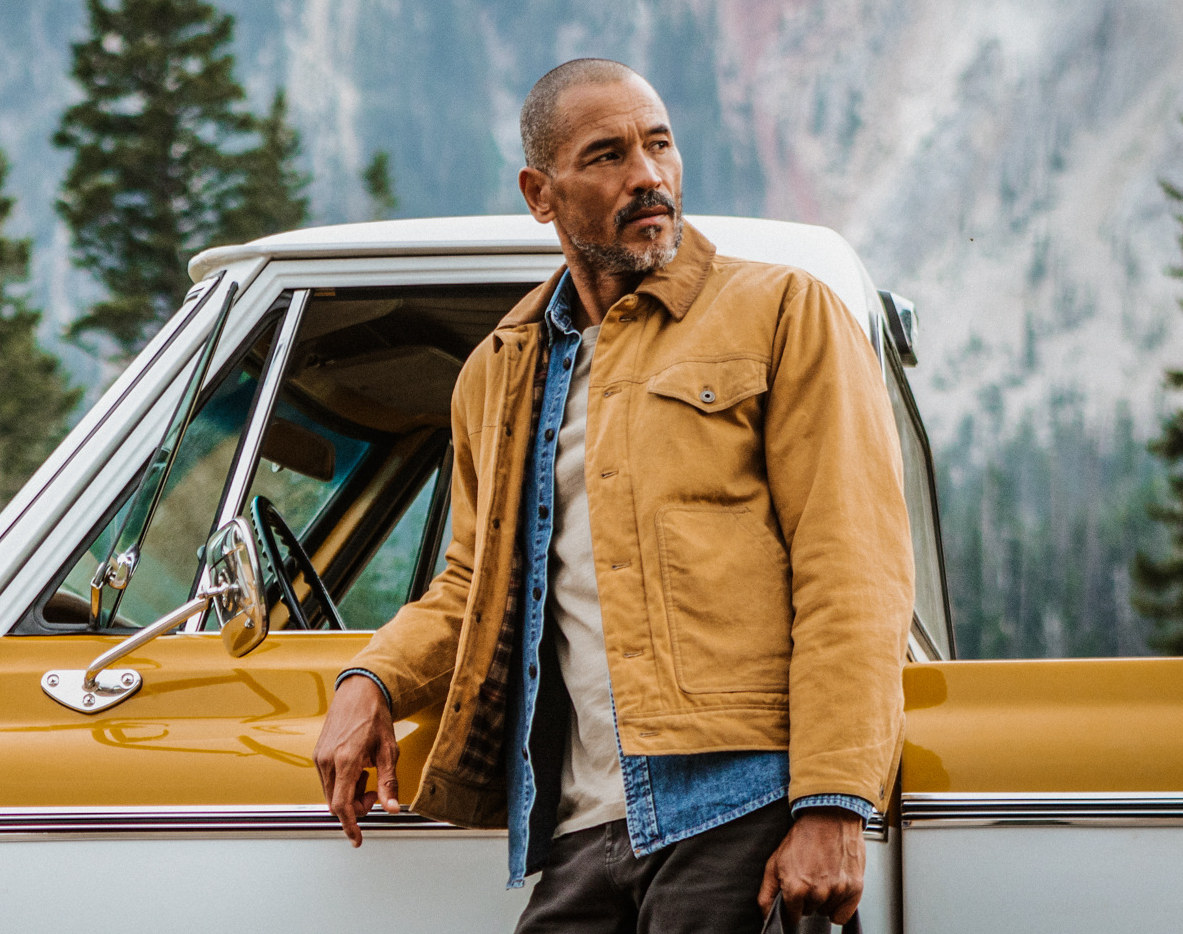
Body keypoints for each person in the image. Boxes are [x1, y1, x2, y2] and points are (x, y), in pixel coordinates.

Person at [313, 59, 914, 933]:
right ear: (540, 192)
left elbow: (852, 570)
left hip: (742, 809)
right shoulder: (500, 368)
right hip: (580, 827)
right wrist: (370, 680)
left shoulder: (784, 312)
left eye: (659, 144)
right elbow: (470, 587)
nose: (648, 177)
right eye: (607, 155)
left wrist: (832, 803)